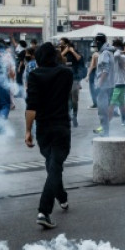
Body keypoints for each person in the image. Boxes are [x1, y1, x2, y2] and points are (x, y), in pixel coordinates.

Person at [24, 42, 73, 229]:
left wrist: (28, 131)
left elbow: (31, 107)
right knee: (55, 166)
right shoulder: (66, 73)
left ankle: (62, 197)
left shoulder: (34, 75)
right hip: (61, 126)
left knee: (53, 165)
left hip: (43, 129)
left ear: (37, 59)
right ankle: (44, 212)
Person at [59, 37, 83, 127]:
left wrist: (72, 51)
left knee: (74, 99)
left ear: (67, 44)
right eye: (60, 44)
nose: (60, 45)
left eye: (62, 43)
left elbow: (79, 58)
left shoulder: (74, 52)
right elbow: (57, 59)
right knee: (67, 99)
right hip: (64, 79)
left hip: (74, 78)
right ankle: (68, 116)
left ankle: (74, 115)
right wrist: (65, 51)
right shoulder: (61, 53)